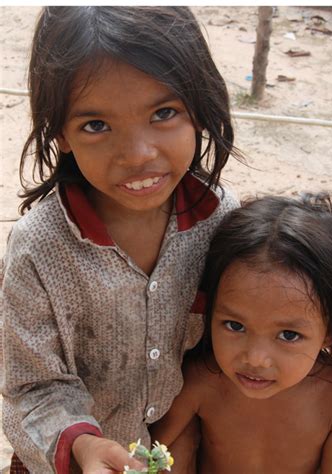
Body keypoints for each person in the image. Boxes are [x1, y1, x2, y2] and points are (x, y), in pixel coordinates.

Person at [1, 6, 242, 474]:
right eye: (96, 125)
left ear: (200, 107)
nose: (137, 155)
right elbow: (33, 387)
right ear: (61, 133)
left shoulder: (221, 221)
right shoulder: (39, 248)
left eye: (164, 113)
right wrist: (84, 447)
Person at [151, 192, 332, 474]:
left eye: (288, 335)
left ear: (331, 330)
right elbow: (146, 457)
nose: (256, 358)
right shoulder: (201, 382)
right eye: (235, 326)